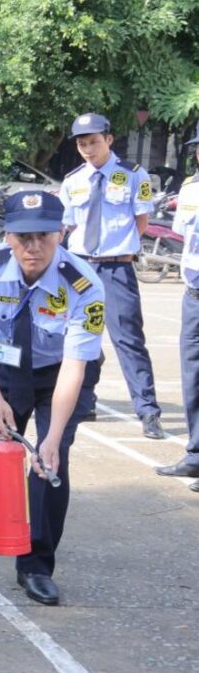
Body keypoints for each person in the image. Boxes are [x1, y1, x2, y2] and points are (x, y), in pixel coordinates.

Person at [0, 191, 104, 606]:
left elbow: (74, 365)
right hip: (5, 367)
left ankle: (35, 564)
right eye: (22, 237)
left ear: (61, 233)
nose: (33, 247)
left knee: (49, 465)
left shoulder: (84, 285)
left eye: (43, 236)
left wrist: (51, 438)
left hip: (60, 374)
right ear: (7, 237)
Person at [58, 113, 164, 439]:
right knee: (80, 337)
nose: (88, 149)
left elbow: (141, 220)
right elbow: (67, 226)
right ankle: (84, 401)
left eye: (93, 142)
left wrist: (121, 249)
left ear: (109, 139)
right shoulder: (73, 180)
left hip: (117, 267)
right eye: (81, 144)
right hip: (80, 267)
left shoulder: (133, 175)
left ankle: (147, 411)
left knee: (129, 339)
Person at [157, 124, 199, 490]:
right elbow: (184, 237)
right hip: (194, 296)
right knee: (193, 377)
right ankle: (196, 454)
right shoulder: (190, 189)